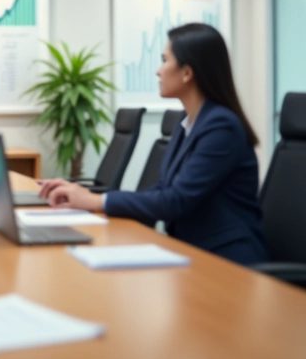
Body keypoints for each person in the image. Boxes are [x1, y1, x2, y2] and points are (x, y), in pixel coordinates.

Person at [39, 23, 268, 266]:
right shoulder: (188, 122)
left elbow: (176, 200)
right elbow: (162, 189)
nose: (158, 71)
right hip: (191, 249)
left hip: (227, 260)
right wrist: (88, 197)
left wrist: (96, 201)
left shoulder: (221, 127)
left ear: (187, 73)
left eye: (164, 61)